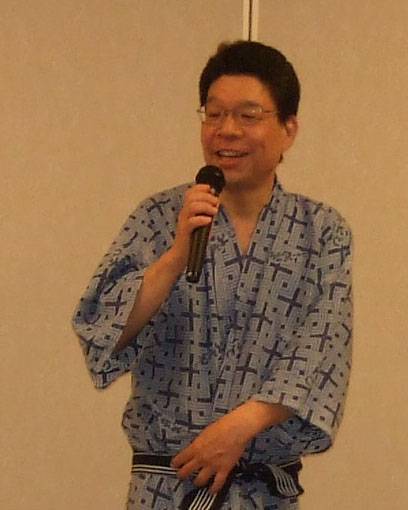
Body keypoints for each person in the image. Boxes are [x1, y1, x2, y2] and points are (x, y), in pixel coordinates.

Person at [73, 40, 353, 510]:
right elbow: (104, 331)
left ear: (288, 129)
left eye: (248, 115)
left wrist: (239, 428)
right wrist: (176, 255)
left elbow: (322, 351)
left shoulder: (322, 231)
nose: (227, 130)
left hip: (262, 493)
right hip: (166, 487)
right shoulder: (158, 216)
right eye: (214, 114)